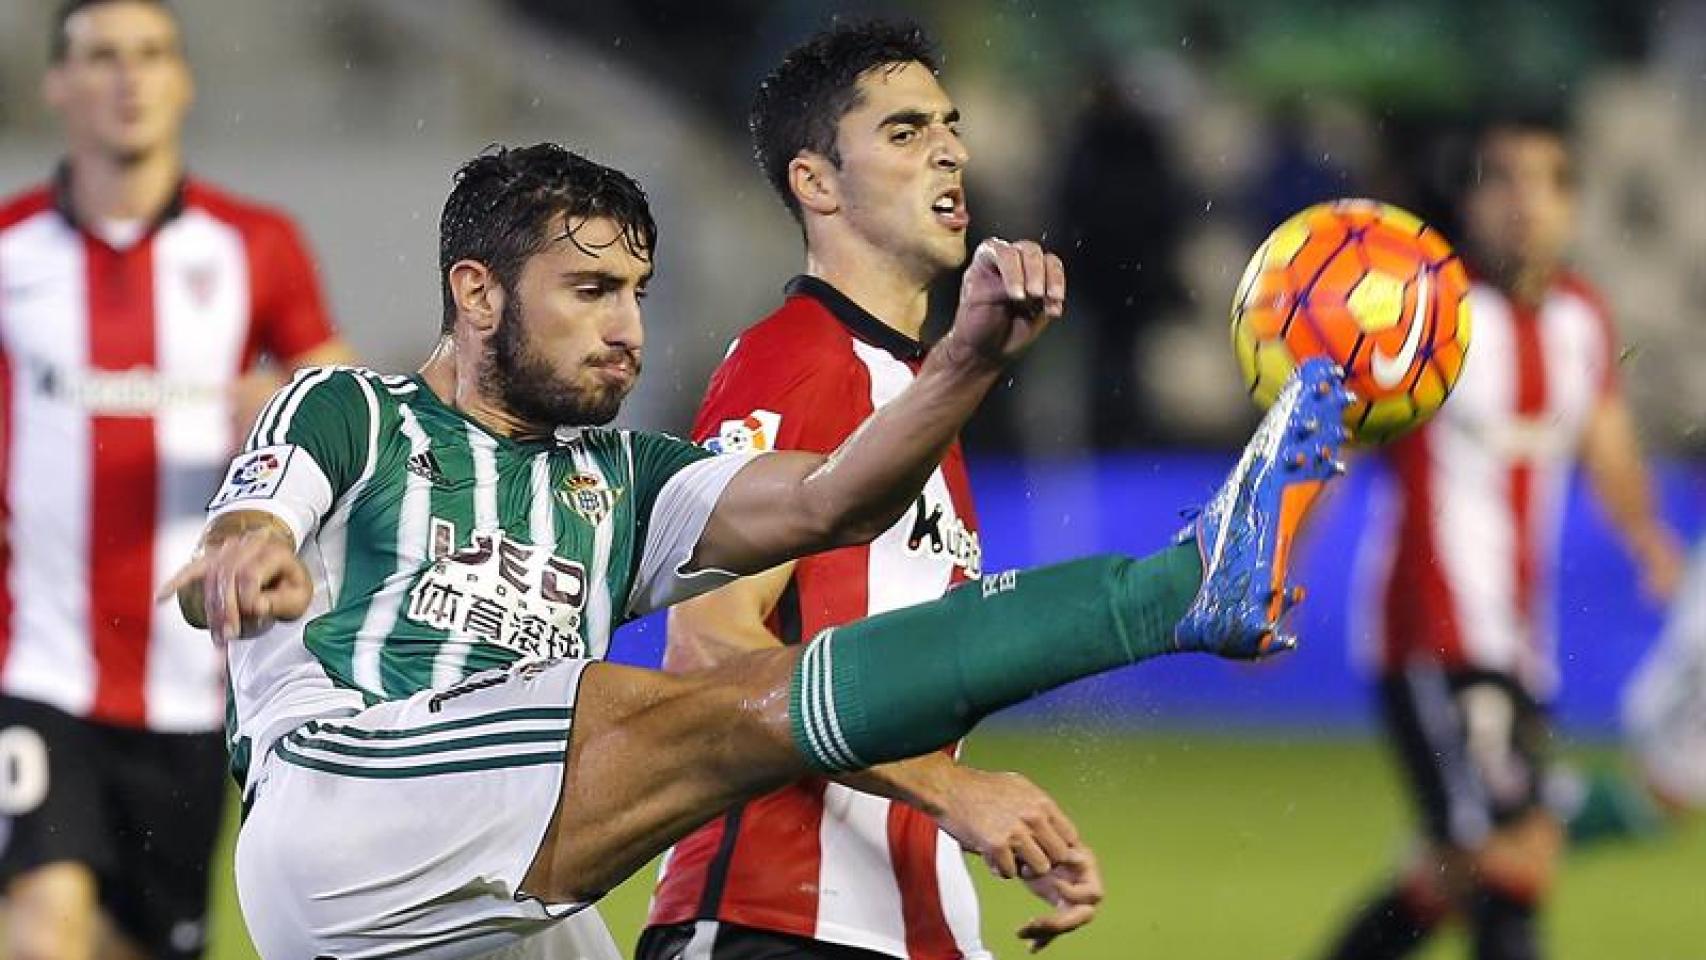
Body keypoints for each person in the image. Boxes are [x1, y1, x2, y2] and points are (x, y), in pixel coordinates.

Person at [165, 141, 1351, 960]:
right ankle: (1171, 591)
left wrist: (966, 359)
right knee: (697, 705)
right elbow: (249, 525)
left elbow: (834, 500)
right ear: (476, 293)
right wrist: (242, 555)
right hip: (344, 807)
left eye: (636, 292)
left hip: (502, 881)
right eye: (588, 291)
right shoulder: (355, 411)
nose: (627, 330)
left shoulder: (621, 478)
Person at [639, 22, 1097, 960]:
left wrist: (977, 819)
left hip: (910, 927)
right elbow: (708, 646)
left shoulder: (921, 397)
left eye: (950, 125)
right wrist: (952, 790)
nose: (950, 150)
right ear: (817, 183)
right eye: (904, 131)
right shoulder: (796, 362)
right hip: (774, 916)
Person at [0, 2, 352, 958]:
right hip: (34, 666)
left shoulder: (256, 245)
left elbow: (346, 420)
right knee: (44, 924)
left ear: (183, 80)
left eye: (151, 54)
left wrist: (284, 404)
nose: (129, 78)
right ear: (56, 85)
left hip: (196, 680)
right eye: (102, 57)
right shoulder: (11, 247)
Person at [1323, 114, 1685, 960]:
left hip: (1521, 644)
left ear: (1572, 204)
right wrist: (1274, 567)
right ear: (1469, 200)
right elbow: (1335, 445)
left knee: (1457, 867)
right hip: (1432, 629)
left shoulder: (1582, 318)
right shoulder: (1427, 316)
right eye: (1503, 181)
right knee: (1511, 851)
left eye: (1546, 182)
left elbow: (1605, 439)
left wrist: (1646, 538)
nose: (1525, 203)